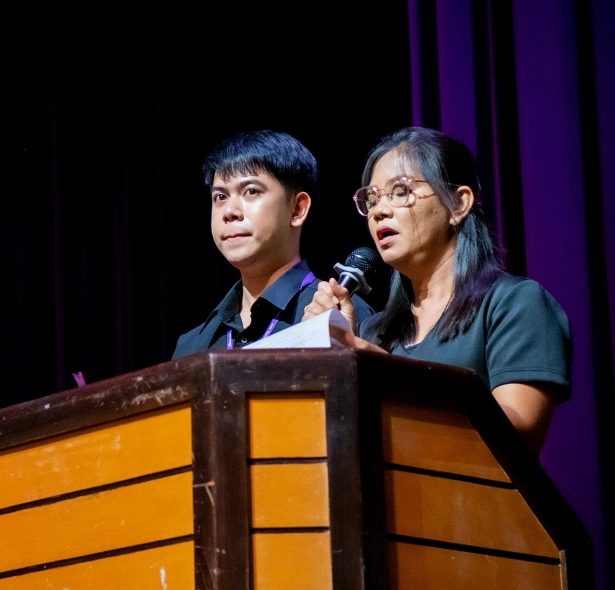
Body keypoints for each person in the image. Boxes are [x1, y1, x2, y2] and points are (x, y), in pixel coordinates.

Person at [304, 127, 571, 453]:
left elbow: (516, 433)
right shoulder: (376, 331)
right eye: (371, 199)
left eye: (400, 191)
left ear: (458, 204)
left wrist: (374, 364)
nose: (378, 211)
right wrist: (330, 352)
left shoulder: (515, 303)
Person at [173, 130, 373, 358]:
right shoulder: (192, 345)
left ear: (297, 209)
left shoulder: (339, 314)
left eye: (251, 191)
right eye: (220, 197)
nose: (229, 212)